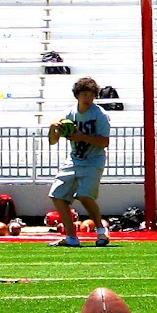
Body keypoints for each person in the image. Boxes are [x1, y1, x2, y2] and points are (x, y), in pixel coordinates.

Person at [45, 76, 111, 248]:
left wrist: (83, 137)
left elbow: (105, 142)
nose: (87, 98)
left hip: (93, 159)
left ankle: (101, 231)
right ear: (77, 95)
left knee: (84, 195)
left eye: (90, 95)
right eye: (84, 94)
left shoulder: (100, 115)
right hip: (73, 159)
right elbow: (53, 141)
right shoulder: (69, 114)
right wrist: (53, 128)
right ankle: (71, 237)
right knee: (57, 195)